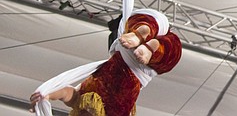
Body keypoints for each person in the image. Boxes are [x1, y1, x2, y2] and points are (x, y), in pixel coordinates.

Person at [29, 11, 182, 116]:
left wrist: (47, 95)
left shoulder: (80, 107)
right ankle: (149, 43)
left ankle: (143, 35)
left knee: (143, 23)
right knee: (171, 50)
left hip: (127, 58)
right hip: (139, 68)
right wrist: (47, 96)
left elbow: (68, 93)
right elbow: (69, 94)